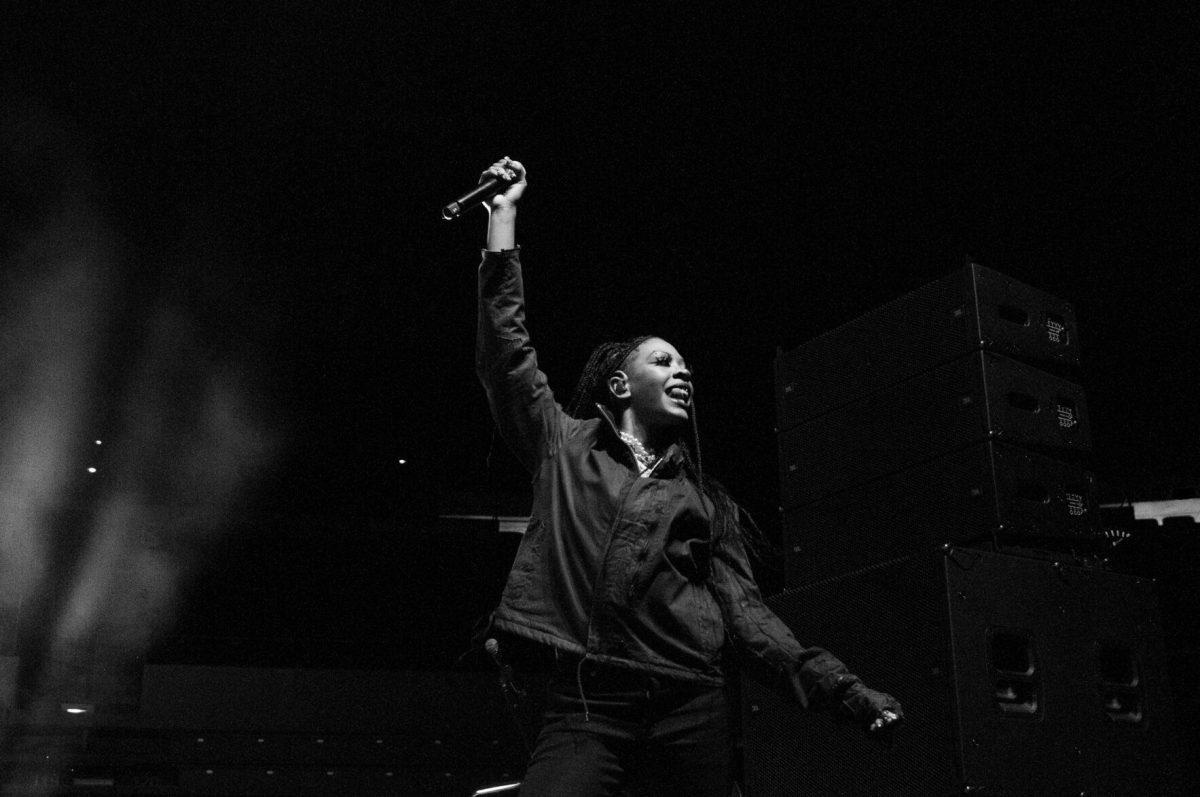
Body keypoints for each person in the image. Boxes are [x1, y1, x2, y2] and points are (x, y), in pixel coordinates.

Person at [473, 157, 902, 797]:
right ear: (620, 384)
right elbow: (507, 353)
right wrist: (503, 218)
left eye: (687, 368)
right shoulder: (563, 445)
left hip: (689, 705)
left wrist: (845, 691)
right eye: (663, 360)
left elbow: (750, 622)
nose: (683, 373)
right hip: (590, 706)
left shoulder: (703, 501)